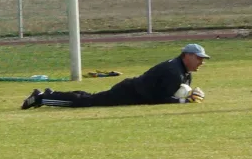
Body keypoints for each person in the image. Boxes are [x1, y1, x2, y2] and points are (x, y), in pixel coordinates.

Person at [20, 43, 209, 109]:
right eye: (199, 58)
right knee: (88, 102)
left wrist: (190, 94)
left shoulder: (183, 72)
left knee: (90, 98)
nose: (202, 62)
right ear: (187, 56)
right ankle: (43, 98)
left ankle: (52, 94)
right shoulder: (174, 72)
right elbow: (159, 99)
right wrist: (184, 102)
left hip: (132, 90)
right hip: (129, 93)